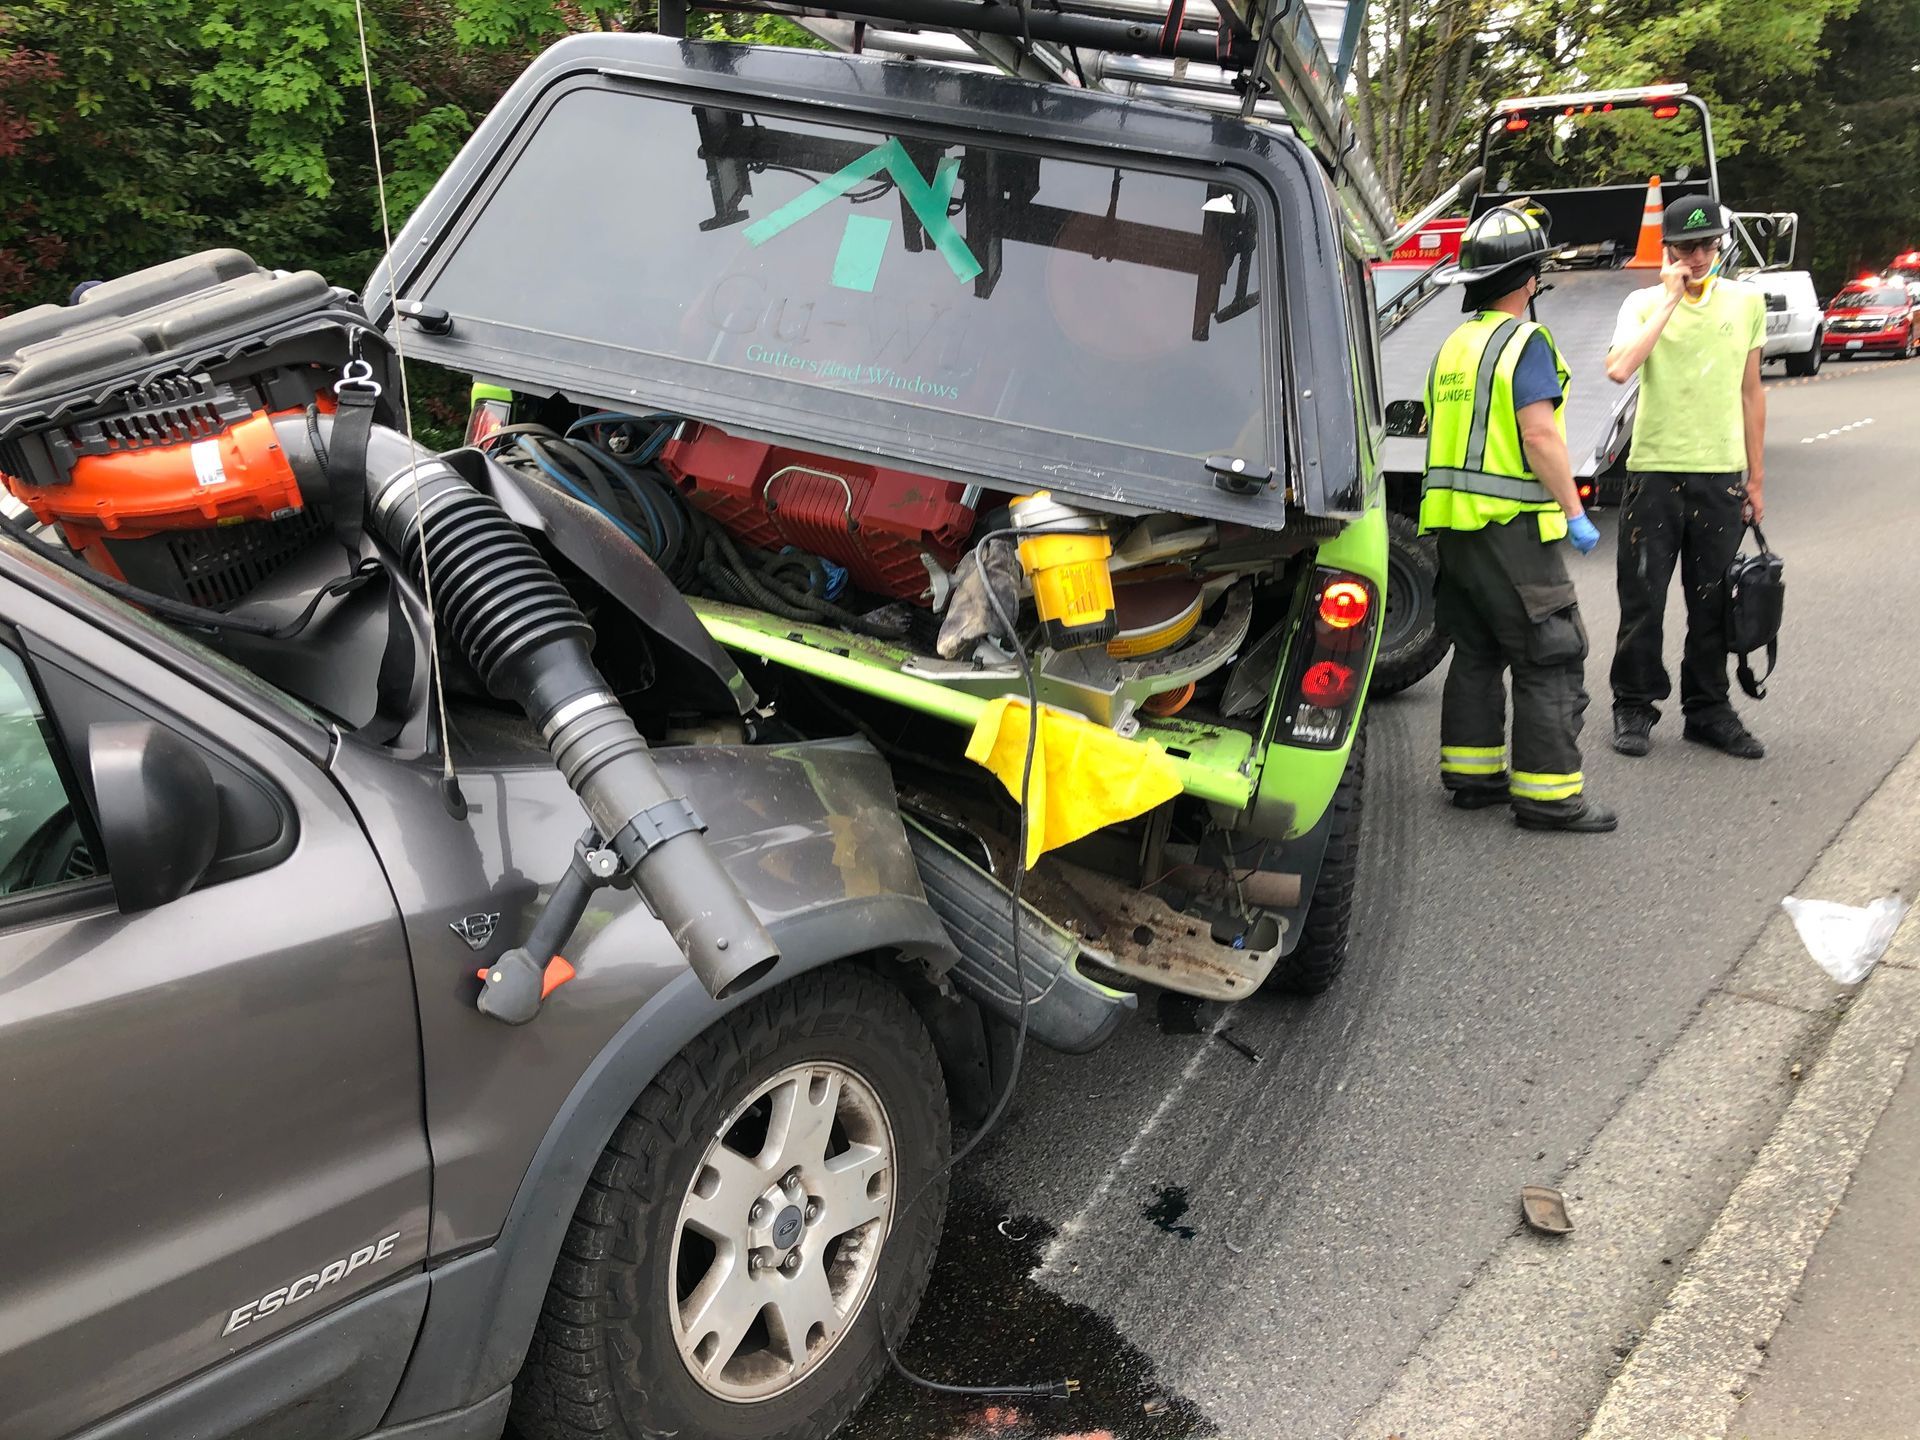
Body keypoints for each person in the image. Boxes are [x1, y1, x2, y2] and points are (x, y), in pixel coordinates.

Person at [1421, 205, 1615, 833]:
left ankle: (1473, 776)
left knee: (1477, 649)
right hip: (1512, 531)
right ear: (1530, 277)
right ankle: (1549, 796)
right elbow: (1540, 436)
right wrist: (1574, 510)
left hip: (1455, 530)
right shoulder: (1525, 342)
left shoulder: (1453, 346)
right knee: (1550, 654)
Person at [1604, 196, 1768, 760]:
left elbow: (1751, 391)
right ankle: (1633, 705)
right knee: (1642, 599)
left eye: (1707, 246)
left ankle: (1707, 710)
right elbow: (1620, 367)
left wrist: (1757, 478)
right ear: (1667, 250)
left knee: (1715, 601)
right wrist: (1671, 300)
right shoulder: (1643, 301)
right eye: (1685, 248)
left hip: (1719, 473)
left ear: (1720, 245)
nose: (1698, 258)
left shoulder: (1746, 302)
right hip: (1653, 472)